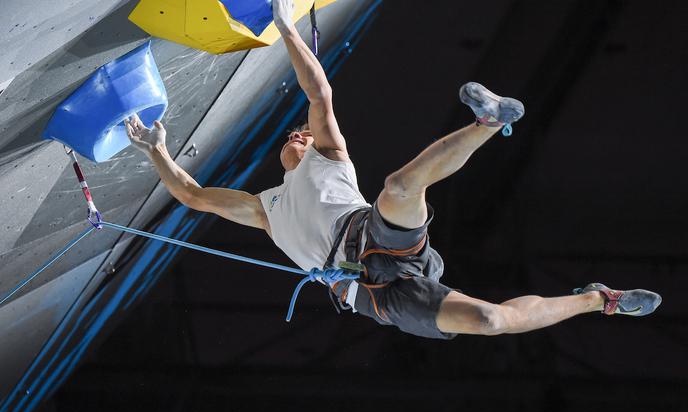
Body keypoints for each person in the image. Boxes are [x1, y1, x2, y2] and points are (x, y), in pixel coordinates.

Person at [125, 0, 661, 340]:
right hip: (383, 294)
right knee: (490, 321)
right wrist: (158, 153)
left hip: (370, 232)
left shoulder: (326, 158)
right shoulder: (263, 210)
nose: (297, 135)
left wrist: (285, 23)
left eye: (302, 134)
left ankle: (486, 122)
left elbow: (319, 92)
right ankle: (601, 300)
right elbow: (194, 196)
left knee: (400, 186)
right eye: (292, 135)